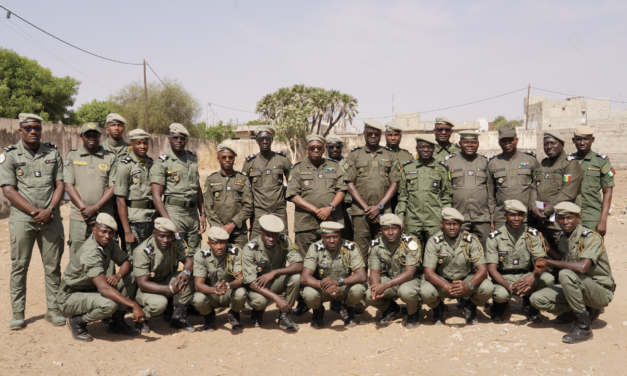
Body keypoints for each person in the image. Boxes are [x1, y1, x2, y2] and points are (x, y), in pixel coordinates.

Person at [0, 113, 66, 329]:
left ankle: (53, 309)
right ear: (20, 130)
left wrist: (50, 210)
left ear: (41, 129)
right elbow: (9, 191)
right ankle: (18, 313)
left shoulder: (53, 152)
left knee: (53, 266)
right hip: (22, 219)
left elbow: (60, 185)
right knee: (19, 266)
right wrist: (36, 212)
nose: (32, 131)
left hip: (51, 217)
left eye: (36, 127)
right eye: (27, 128)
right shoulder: (9, 155)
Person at [530, 202, 615, 344]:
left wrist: (548, 262)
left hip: (600, 290)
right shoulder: (564, 237)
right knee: (537, 299)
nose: (565, 222)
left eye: (569, 218)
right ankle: (583, 310)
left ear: (578, 218)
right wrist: (545, 248)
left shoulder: (591, 237)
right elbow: (564, 260)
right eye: (561, 218)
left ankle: (583, 327)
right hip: (579, 286)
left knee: (565, 274)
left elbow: (582, 267)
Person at [58, 213, 143, 342]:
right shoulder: (90, 252)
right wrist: (134, 305)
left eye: (110, 233)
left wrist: (118, 275)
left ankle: (117, 322)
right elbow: (104, 289)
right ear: (94, 230)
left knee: (130, 276)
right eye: (103, 232)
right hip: (70, 296)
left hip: (90, 289)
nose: (107, 236)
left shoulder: (108, 243)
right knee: (109, 304)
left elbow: (126, 262)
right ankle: (77, 322)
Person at [287, 134, 347, 315]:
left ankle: (336, 300)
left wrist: (330, 208)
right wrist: (315, 209)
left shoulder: (334, 166)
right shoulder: (298, 169)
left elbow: (342, 189)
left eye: (319, 148)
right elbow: (292, 194)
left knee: (335, 261)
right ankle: (306, 301)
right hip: (306, 222)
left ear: (323, 149)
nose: (315, 151)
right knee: (306, 262)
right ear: (307, 149)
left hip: (331, 222)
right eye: (312, 148)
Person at [421, 208, 494, 325]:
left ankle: (470, 306)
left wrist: (468, 285)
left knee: (488, 287)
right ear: (441, 224)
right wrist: (446, 285)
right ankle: (439, 308)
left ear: (460, 224)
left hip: (465, 279)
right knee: (425, 290)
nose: (451, 227)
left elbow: (483, 270)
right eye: (448, 224)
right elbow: (428, 272)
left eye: (455, 224)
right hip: (443, 280)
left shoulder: (471, 240)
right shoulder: (433, 241)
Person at [486, 200, 554, 323]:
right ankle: (499, 305)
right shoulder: (494, 237)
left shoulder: (533, 235)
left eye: (520, 215)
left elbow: (541, 261)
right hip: (505, 277)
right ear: (505, 215)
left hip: (527, 274)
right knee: (501, 294)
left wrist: (532, 277)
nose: (517, 218)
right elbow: (491, 268)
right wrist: (509, 286)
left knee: (548, 279)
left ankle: (531, 303)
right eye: (512, 215)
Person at [345, 119, 400, 257]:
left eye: (376, 134)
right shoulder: (355, 154)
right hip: (360, 211)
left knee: (383, 249)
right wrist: (367, 209)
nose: (373, 136)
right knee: (360, 250)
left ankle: (381, 278)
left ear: (380, 135)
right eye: (370, 133)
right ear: (364, 133)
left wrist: (379, 206)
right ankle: (361, 278)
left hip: (384, 211)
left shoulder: (389, 155)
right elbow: (349, 183)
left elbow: (395, 183)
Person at [151, 123, 206, 257]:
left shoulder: (192, 158)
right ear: (169, 139)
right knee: (175, 253)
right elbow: (156, 196)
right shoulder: (162, 162)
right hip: (175, 212)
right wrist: (168, 222)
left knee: (194, 252)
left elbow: (197, 187)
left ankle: (192, 278)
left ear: (186, 140)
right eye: (175, 138)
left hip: (193, 214)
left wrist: (202, 213)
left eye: (182, 138)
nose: (179, 141)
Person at [133, 217, 195, 333]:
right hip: (146, 289)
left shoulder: (175, 242)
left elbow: (188, 261)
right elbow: (142, 284)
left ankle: (177, 316)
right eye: (162, 236)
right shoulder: (142, 251)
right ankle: (141, 318)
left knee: (192, 274)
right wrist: (171, 288)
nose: (166, 240)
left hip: (165, 280)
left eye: (169, 236)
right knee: (160, 303)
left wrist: (185, 274)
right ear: (154, 233)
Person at [242, 215, 303, 332]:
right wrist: (277, 298)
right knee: (260, 301)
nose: (271, 239)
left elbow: (299, 266)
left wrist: (275, 272)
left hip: (274, 281)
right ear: (260, 233)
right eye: (267, 236)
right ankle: (257, 311)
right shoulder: (250, 249)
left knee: (296, 278)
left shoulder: (283, 241)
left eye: (274, 235)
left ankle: (284, 317)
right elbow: (251, 282)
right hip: (257, 286)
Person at [300, 222, 366, 328]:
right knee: (309, 293)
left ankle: (347, 308)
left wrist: (337, 281)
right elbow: (304, 278)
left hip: (342, 286)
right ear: (322, 237)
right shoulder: (315, 248)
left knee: (359, 289)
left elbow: (362, 276)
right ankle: (318, 310)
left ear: (340, 236)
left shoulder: (350, 247)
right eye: (328, 237)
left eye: (335, 237)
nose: (332, 241)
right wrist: (324, 286)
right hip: (322, 288)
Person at [64, 122, 116, 258]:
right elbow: (68, 185)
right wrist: (84, 209)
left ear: (100, 136)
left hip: (105, 215)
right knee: (78, 253)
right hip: (79, 216)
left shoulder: (110, 157)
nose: (91, 137)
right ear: (81, 136)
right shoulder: (72, 156)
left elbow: (113, 187)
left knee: (106, 254)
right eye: (88, 135)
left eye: (95, 135)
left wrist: (95, 208)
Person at [364, 214, 422, 328]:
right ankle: (390, 308)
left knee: (406, 292)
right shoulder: (375, 245)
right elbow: (375, 272)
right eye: (386, 229)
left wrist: (385, 285)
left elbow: (410, 273)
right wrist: (376, 287)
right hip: (390, 278)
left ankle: (413, 312)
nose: (390, 233)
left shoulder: (410, 243)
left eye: (394, 229)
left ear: (401, 229)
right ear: (381, 230)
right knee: (368, 294)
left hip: (411, 280)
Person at [396, 134, 451, 249]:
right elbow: (403, 197)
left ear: (433, 149)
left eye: (429, 147)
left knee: (436, 254)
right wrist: (400, 219)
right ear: (417, 149)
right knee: (412, 254)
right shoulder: (407, 168)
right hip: (413, 221)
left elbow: (445, 198)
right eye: (422, 147)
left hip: (434, 221)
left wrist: (446, 219)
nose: (425, 150)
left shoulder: (441, 169)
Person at [531, 131, 584, 251]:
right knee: (547, 255)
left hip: (562, 222)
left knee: (567, 256)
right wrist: (533, 207)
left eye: (553, 143)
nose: (549, 147)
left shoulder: (570, 164)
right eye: (546, 144)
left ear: (562, 145)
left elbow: (567, 192)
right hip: (543, 222)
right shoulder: (544, 164)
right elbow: (534, 186)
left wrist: (547, 211)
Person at [442, 130, 490, 249]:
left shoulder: (486, 162)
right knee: (460, 249)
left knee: (485, 248)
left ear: (478, 144)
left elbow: (491, 190)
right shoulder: (449, 162)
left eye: (473, 142)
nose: (469, 145)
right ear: (459, 144)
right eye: (466, 142)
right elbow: (445, 191)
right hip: (459, 216)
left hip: (482, 217)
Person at [192, 227, 247, 332]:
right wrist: (215, 290)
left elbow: (241, 279)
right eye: (215, 243)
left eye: (222, 243)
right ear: (209, 243)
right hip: (211, 294)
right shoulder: (201, 255)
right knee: (197, 298)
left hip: (229, 292)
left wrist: (228, 285)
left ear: (227, 242)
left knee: (241, 292)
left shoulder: (235, 252)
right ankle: (209, 316)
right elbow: (198, 285)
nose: (219, 247)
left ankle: (234, 314)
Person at [486, 126, 540, 231]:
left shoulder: (530, 160)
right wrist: (492, 219)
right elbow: (490, 195)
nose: (507, 143)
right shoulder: (493, 163)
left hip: (526, 217)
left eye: (510, 139)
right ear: (499, 142)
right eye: (503, 140)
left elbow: (538, 187)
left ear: (517, 140)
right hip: (502, 218)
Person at [114, 129, 157, 260]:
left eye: (145, 143)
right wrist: (127, 232)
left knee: (150, 256)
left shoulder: (151, 164)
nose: (143, 146)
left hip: (152, 217)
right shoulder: (124, 166)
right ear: (131, 145)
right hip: (135, 220)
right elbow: (120, 200)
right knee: (135, 258)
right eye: (138, 143)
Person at [241, 125, 291, 234]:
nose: (265, 141)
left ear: (271, 140)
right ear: (256, 141)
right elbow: (245, 188)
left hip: (279, 210)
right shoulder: (250, 162)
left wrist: (285, 198)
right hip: (258, 210)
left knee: (282, 239)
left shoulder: (282, 159)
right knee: (256, 241)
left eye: (268, 138)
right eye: (261, 139)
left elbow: (293, 183)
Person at [203, 143, 253, 247]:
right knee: (219, 261)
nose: (227, 160)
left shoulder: (243, 179)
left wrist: (232, 225)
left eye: (230, 157)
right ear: (218, 159)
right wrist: (220, 228)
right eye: (224, 157)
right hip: (217, 231)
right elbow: (208, 206)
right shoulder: (211, 179)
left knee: (239, 260)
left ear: (234, 159)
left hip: (239, 232)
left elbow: (248, 206)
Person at [570, 125, 615, 235]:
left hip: (592, 216)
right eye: (579, 139)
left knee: (593, 249)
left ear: (592, 140)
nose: (582, 143)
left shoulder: (601, 161)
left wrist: (603, 220)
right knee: (571, 250)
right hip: (570, 215)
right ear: (573, 140)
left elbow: (607, 191)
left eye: (586, 139)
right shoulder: (568, 161)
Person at [326, 134, 354, 242]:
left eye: (337, 146)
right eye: (331, 146)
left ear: (341, 147)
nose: (335, 149)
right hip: (329, 208)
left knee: (347, 238)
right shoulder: (322, 164)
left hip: (347, 208)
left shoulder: (350, 164)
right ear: (326, 148)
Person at [385, 122, 414, 213]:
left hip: (402, 198)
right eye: (390, 135)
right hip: (384, 197)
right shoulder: (380, 154)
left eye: (396, 135)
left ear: (400, 137)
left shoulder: (408, 157)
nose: (393, 138)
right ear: (385, 136)